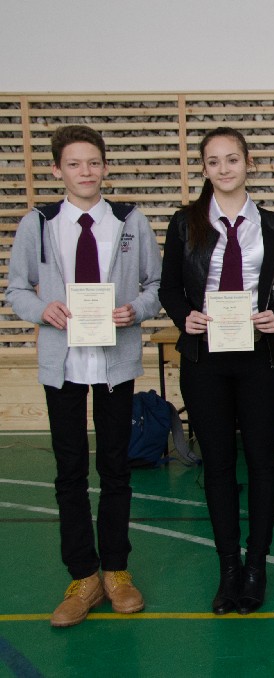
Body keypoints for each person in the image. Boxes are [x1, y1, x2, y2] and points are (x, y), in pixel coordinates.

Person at [8, 125, 162, 627]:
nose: (86, 172)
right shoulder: (38, 223)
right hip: (64, 366)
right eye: (74, 164)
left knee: (116, 468)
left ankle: (116, 570)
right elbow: (16, 289)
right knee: (69, 471)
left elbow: (156, 285)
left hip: (114, 363)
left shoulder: (130, 220)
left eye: (94, 162)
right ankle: (83, 576)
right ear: (58, 170)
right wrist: (42, 309)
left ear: (105, 166)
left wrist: (135, 310)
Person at [159, 127, 274, 615]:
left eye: (232, 159)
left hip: (259, 359)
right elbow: (169, 288)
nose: (223, 168)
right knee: (217, 464)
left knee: (261, 462)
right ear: (204, 168)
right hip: (205, 360)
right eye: (213, 161)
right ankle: (228, 569)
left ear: (248, 163)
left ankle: (256, 565)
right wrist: (185, 317)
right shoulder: (184, 223)